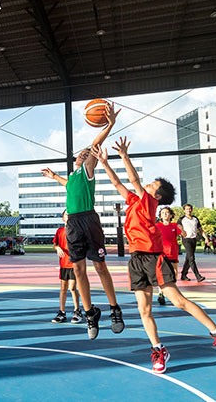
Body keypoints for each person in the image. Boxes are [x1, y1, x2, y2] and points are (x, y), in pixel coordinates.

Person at [93, 138, 216, 374]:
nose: (147, 185)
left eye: (152, 185)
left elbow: (133, 180)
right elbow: (118, 183)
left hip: (154, 259)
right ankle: (158, 349)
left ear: (157, 196)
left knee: (179, 301)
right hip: (136, 260)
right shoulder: (136, 201)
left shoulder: (148, 202)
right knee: (144, 310)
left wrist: (124, 156)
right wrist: (104, 163)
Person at [41, 103, 124, 340]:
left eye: (85, 154)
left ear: (90, 159)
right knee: (78, 270)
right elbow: (65, 184)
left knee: (99, 266)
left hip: (88, 220)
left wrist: (109, 125)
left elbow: (94, 146)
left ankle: (114, 309)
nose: (80, 154)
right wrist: (52, 175)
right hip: (73, 224)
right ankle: (90, 313)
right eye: (80, 153)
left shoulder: (87, 170)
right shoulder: (73, 178)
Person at [51, 210, 82, 323]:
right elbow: (55, 244)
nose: (68, 216)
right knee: (63, 288)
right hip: (63, 264)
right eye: (66, 215)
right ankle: (62, 312)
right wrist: (58, 248)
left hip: (74, 264)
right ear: (63, 218)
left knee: (72, 288)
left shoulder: (76, 230)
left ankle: (77, 311)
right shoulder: (59, 231)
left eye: (69, 215)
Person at [154, 207, 186, 306]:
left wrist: (182, 229)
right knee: (161, 273)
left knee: (174, 271)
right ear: (160, 216)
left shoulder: (175, 225)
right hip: (161, 252)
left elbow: (184, 235)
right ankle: (160, 293)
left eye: (167, 213)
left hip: (172, 251)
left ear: (171, 215)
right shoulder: (157, 225)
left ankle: (173, 291)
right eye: (163, 213)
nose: (165, 214)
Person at [178, 204, 209, 282]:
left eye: (190, 209)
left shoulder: (195, 219)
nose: (189, 210)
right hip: (186, 240)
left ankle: (183, 274)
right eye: (187, 209)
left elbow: (201, 230)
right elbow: (178, 229)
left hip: (193, 239)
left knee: (189, 258)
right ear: (184, 210)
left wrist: (206, 238)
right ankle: (198, 276)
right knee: (192, 258)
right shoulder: (181, 219)